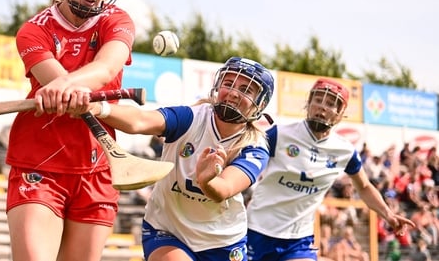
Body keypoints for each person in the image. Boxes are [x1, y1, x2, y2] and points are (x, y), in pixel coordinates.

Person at [5, 0, 134, 261]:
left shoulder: (117, 20)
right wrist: (67, 89)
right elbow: (56, 79)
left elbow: (106, 68)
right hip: (40, 163)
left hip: (96, 168)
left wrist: (69, 90)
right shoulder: (34, 31)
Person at [87, 57, 275, 260]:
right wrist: (99, 108)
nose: (234, 93)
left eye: (246, 90)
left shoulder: (255, 147)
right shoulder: (191, 118)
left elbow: (224, 189)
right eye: (228, 84)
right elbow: (140, 121)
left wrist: (207, 181)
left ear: (260, 103)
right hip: (168, 231)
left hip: (223, 241)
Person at [245, 78, 416, 261]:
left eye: (331, 104)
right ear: (308, 103)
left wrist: (389, 215)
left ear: (341, 114)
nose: (322, 107)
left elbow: (364, 187)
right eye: (318, 100)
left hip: (298, 240)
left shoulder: (345, 151)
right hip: (257, 230)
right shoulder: (279, 134)